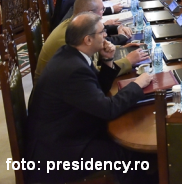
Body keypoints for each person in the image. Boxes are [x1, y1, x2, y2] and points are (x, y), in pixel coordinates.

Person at [26, 13, 155, 184]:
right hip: (57, 152)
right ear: (87, 40)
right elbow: (108, 109)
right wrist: (137, 84)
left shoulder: (71, 54)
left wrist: (108, 60)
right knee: (125, 155)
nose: (106, 35)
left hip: (66, 132)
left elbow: (97, 90)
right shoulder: (73, 70)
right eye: (102, 32)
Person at [35, 0, 147, 84]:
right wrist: (128, 61)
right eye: (102, 10)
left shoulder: (76, 24)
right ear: (90, 14)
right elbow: (93, 74)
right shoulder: (71, 35)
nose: (105, 35)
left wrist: (119, 49)